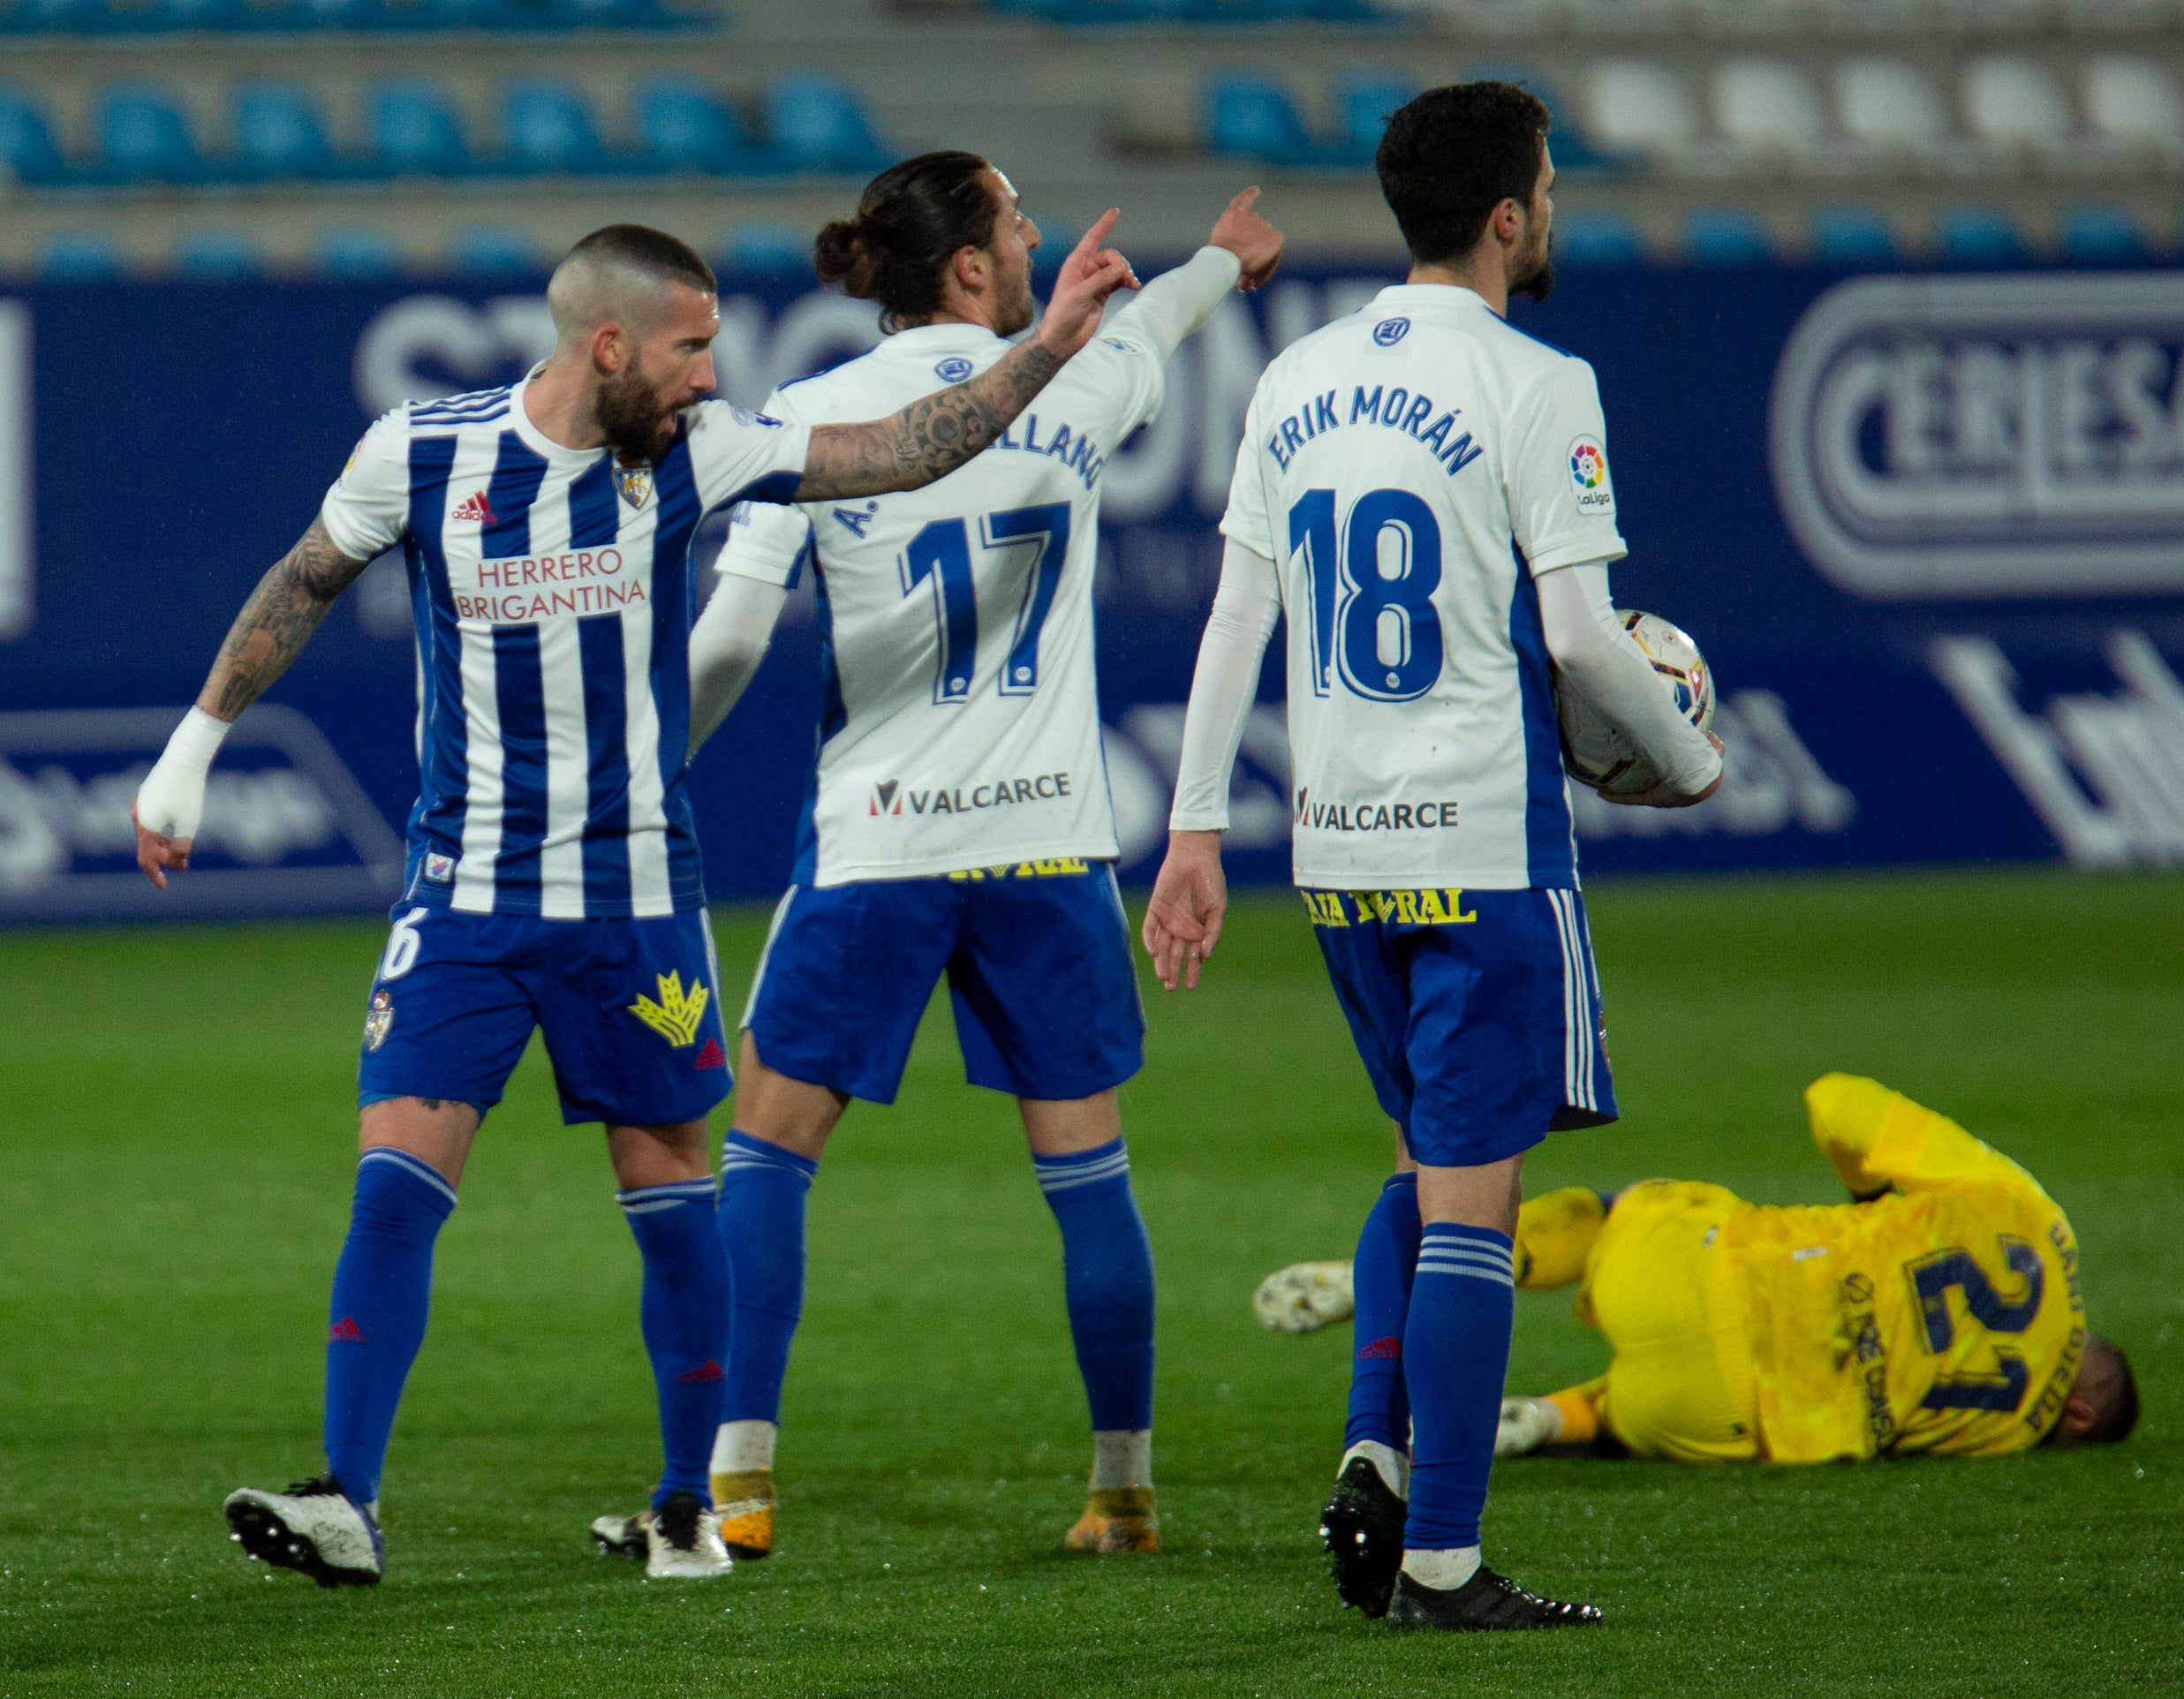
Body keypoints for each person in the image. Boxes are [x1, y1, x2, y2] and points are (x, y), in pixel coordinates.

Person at [129, 219, 1138, 1587]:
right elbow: (306, 578)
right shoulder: (424, 451)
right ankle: (345, 1500)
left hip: (634, 897)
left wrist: (1050, 344)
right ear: (607, 346)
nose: (710, 375)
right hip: (465, 893)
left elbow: (903, 449)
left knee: (667, 1187)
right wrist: (193, 746)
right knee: (395, 1182)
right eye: (689, 348)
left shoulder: (697, 454)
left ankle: (683, 1508)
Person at [588, 155, 1283, 1568]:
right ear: (969, 265)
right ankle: (1123, 1492)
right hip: (1044, 843)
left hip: (880, 843)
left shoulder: (813, 413)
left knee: (770, 1155)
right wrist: (1223, 257)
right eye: (1016, 219)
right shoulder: (1077, 382)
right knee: (1087, 1173)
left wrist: (646, 782)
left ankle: (737, 1487)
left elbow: (725, 636)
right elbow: (1159, 328)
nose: (1032, 236)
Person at [1141, 82, 1725, 1631]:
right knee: (1475, 1203)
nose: (1555, 205)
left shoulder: (1294, 377)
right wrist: (1684, 759)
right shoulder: (1541, 383)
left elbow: (1235, 620)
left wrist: (1196, 823)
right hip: (1481, 843)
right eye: (1547, 182)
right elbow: (1585, 640)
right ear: (1509, 214)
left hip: (1337, 850)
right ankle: (1443, 1565)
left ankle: (1371, 1444)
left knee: (1418, 1164)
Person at [1253, 1075, 2138, 1466]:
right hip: (1720, 1420)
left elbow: (1837, 1099)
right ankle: (1553, 1418)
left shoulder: (2029, 1213)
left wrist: (1875, 1199)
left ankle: (1462, 1257)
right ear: (2080, 1412)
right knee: (1636, 1405)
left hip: (1700, 1269)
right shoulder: (2015, 1426)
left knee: (1624, 1207)